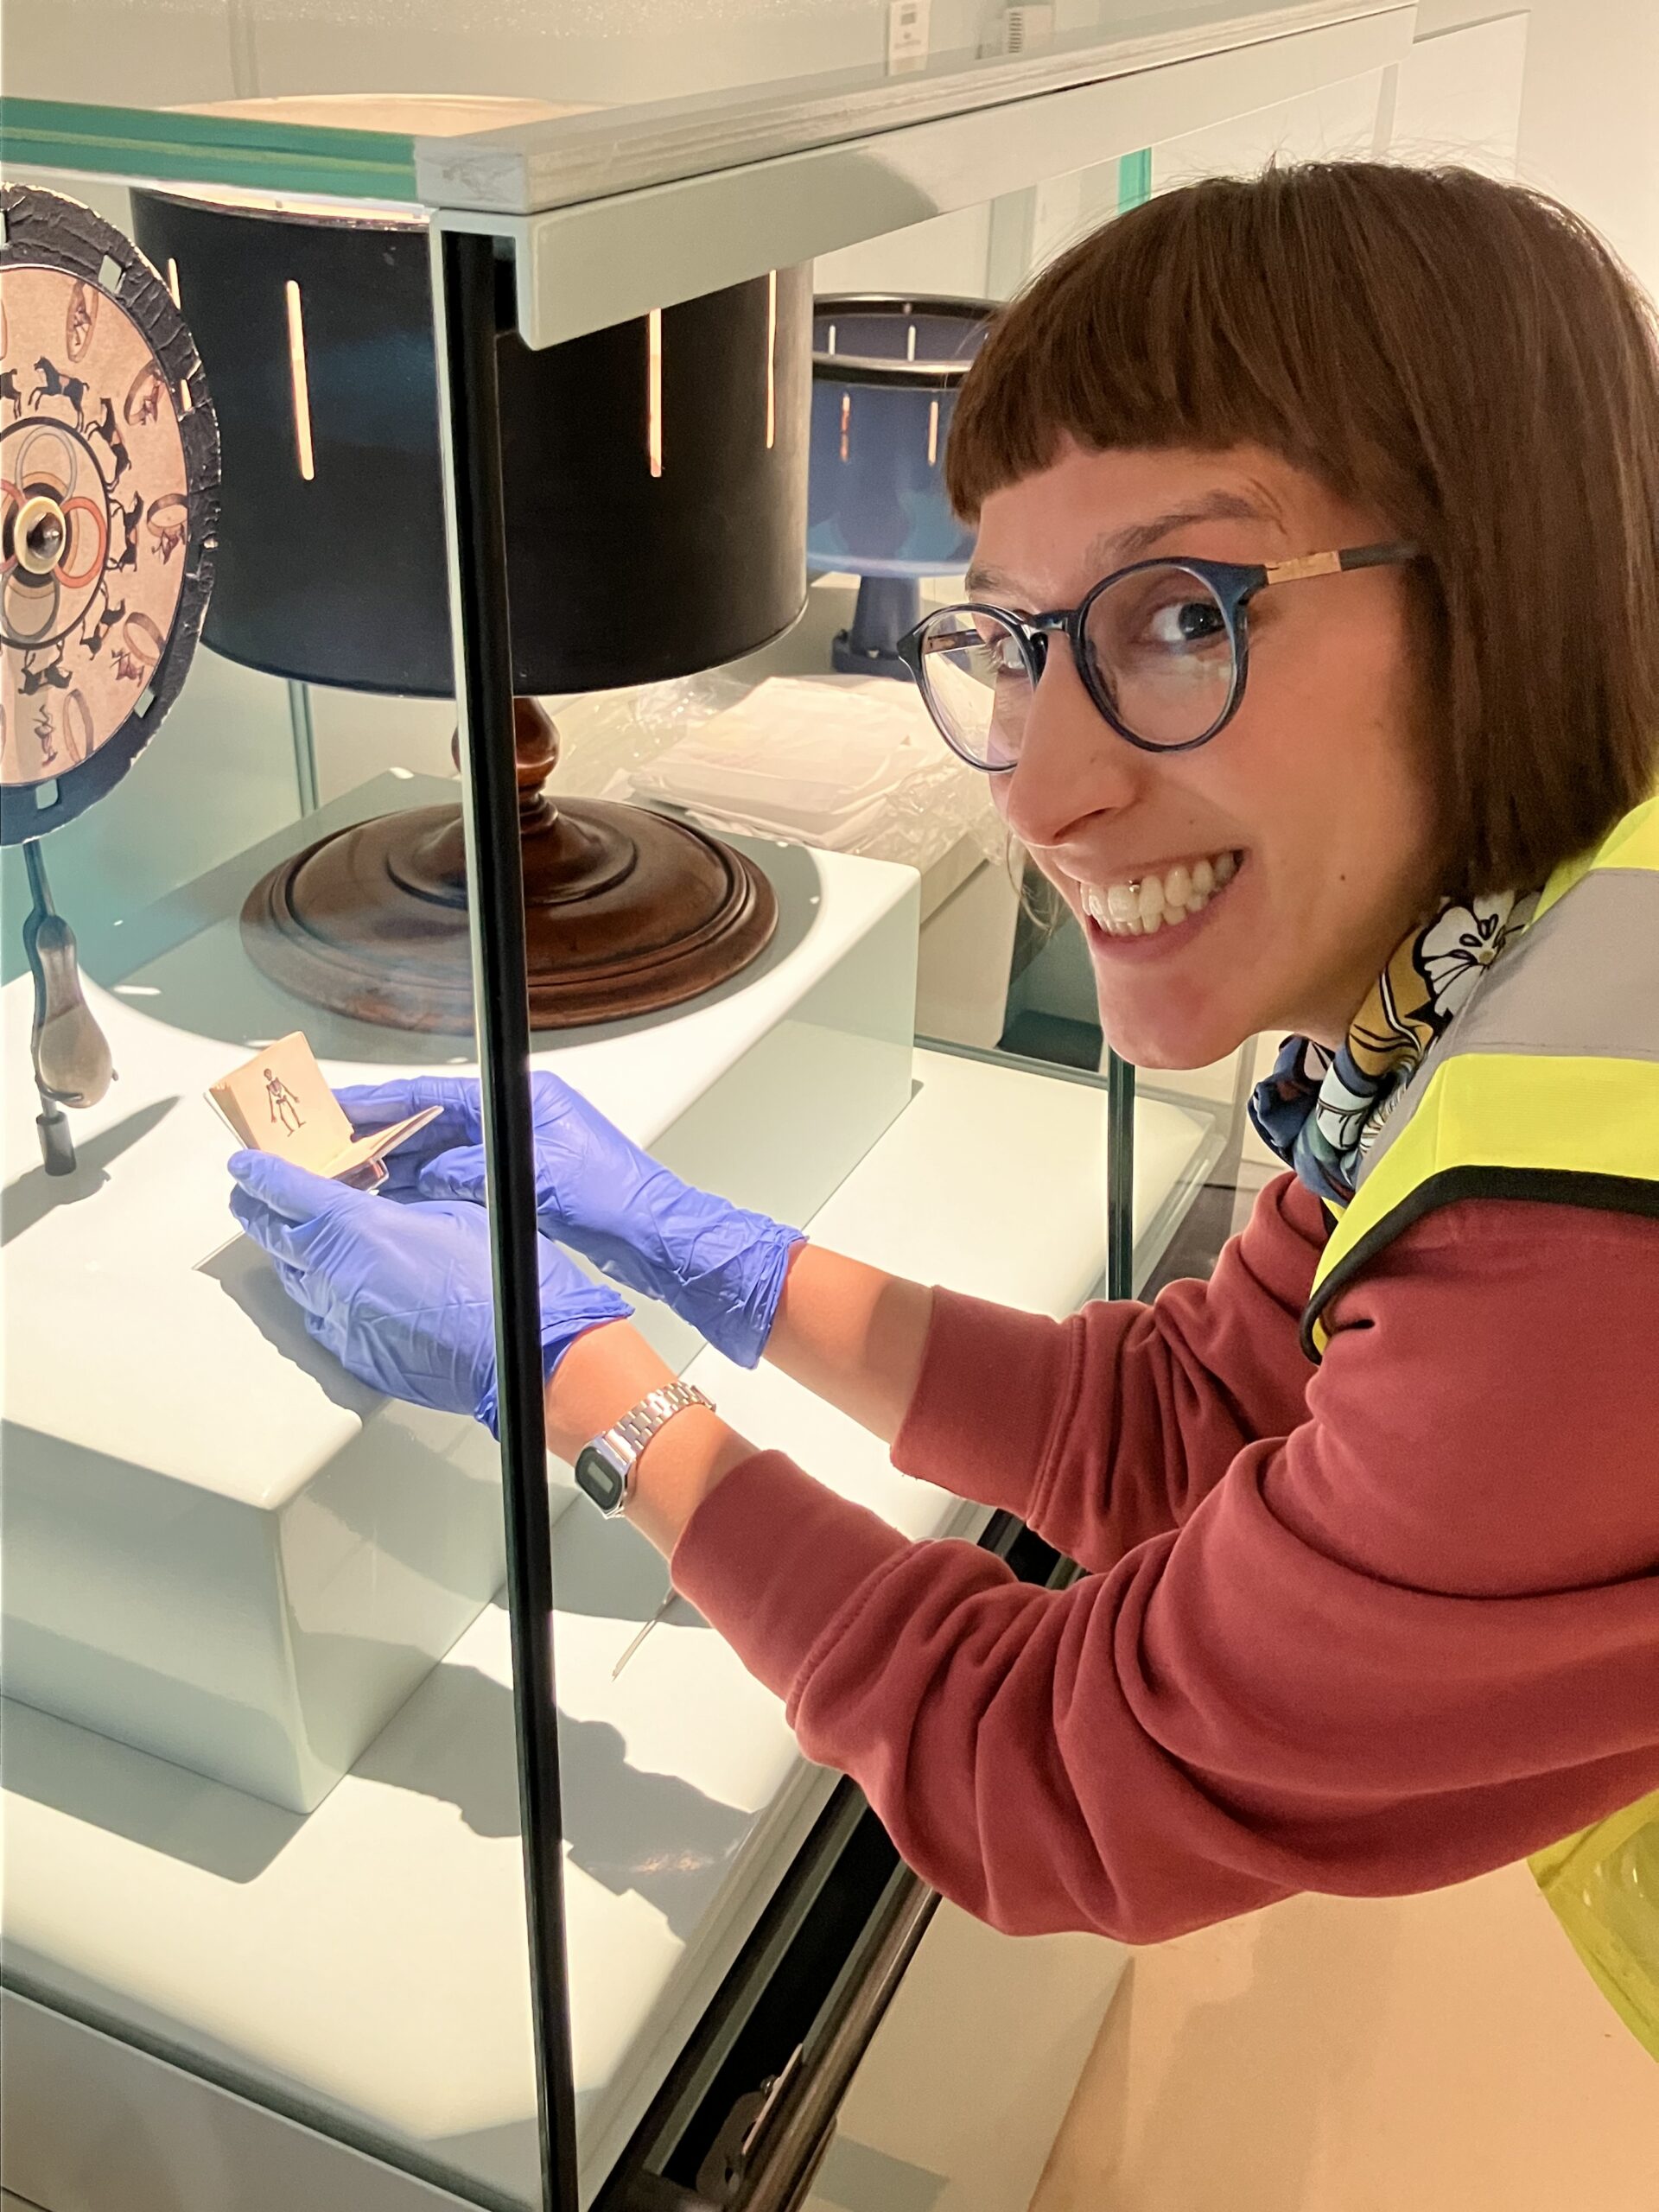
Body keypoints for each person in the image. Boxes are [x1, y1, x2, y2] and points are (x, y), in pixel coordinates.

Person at [230, 162, 1659, 2059]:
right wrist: (703, 1248)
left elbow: (1057, 1778)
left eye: (1177, 616)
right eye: (1004, 639)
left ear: (1507, 574)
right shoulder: (1494, 981)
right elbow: (1190, 1414)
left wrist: (573, 1378)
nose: (1043, 791)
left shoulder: (1566, 1246)